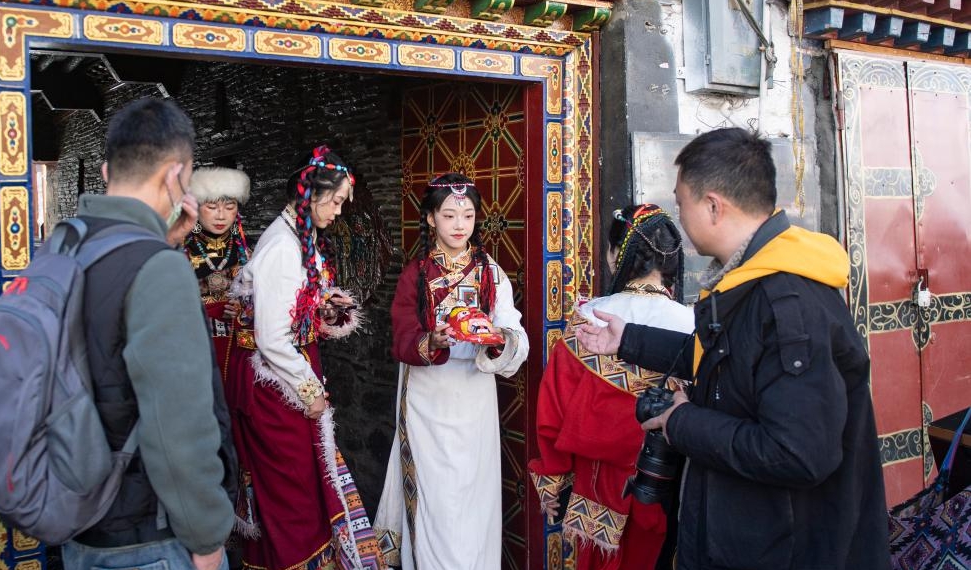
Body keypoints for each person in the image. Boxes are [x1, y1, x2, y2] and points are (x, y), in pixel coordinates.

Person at [575, 127, 890, 570]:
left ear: (713, 207)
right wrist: (628, 340)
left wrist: (681, 421)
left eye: (681, 202)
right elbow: (729, 361)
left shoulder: (787, 304)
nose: (679, 217)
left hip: (786, 549)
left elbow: (797, 453)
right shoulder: (747, 281)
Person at [63, 98, 234, 570]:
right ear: (176, 177)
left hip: (84, 524)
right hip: (149, 536)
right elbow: (178, 423)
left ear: (104, 170)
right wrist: (206, 537)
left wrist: (165, 241)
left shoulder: (64, 248)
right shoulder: (157, 269)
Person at [224, 145, 386, 570]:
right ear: (309, 194)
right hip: (276, 390)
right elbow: (272, 338)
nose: (337, 211)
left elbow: (294, 313)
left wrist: (325, 310)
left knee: (301, 491)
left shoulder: (300, 239)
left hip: (286, 379)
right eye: (333, 201)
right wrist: (309, 389)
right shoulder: (282, 247)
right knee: (293, 498)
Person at [374, 172, 530, 569]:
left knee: (472, 500)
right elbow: (401, 335)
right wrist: (433, 341)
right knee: (436, 502)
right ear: (430, 219)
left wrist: (498, 337)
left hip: (474, 399)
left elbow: (513, 329)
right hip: (428, 399)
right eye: (449, 215)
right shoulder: (416, 274)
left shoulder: (490, 273)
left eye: (468, 215)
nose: (460, 225)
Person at [528, 203, 694, 570]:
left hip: (597, 487)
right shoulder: (692, 327)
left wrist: (552, 478)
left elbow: (553, 409)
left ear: (618, 255)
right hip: (669, 485)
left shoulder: (590, 318)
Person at [184, 167, 253, 381]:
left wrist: (244, 309)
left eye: (229, 207)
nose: (221, 215)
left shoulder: (246, 251)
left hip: (237, 349)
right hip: (194, 348)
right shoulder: (180, 249)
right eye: (212, 207)